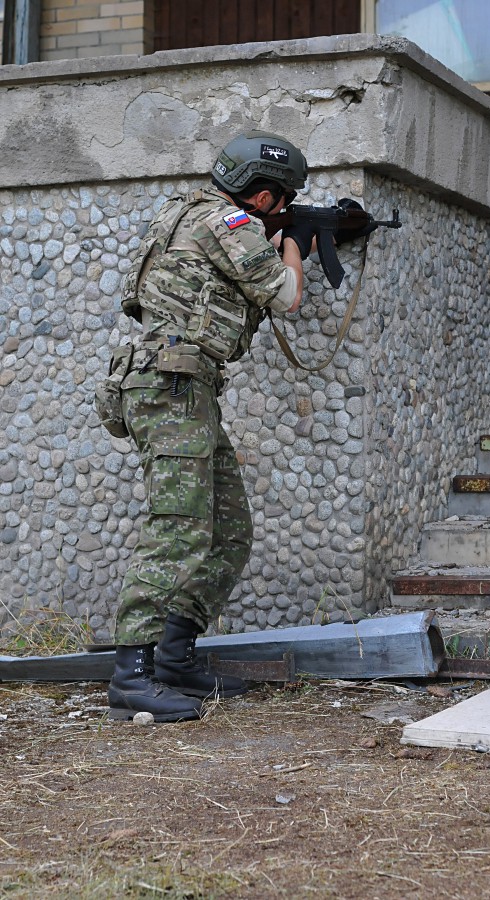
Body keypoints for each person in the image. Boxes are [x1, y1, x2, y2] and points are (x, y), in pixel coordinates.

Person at [105, 131, 317, 721]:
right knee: (177, 530)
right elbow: (287, 295)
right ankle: (132, 675)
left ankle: (174, 658)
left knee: (228, 529)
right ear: (263, 195)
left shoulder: (186, 211)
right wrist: (293, 243)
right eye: (281, 199)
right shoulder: (229, 222)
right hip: (171, 388)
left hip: (183, 388)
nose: (279, 207)